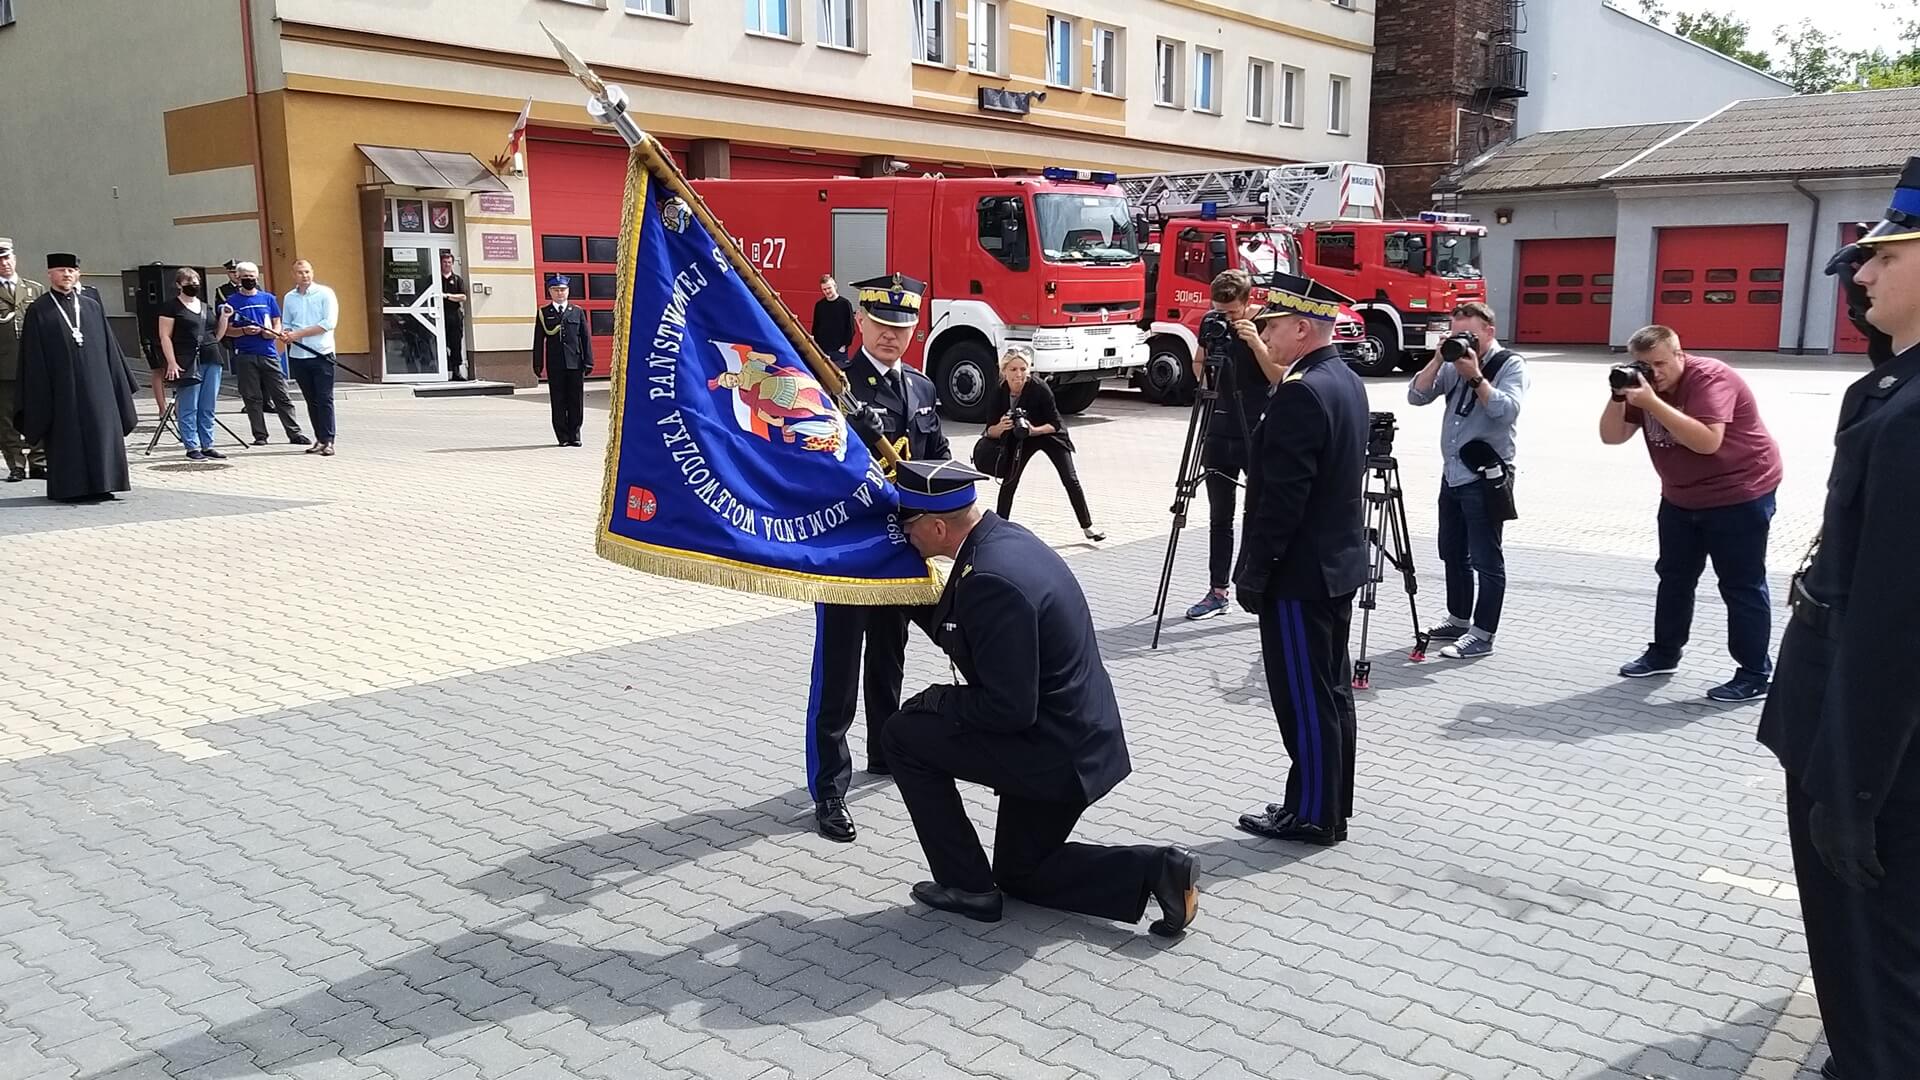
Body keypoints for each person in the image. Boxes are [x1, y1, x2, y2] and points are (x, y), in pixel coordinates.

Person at [882, 458, 1199, 935]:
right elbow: (970, 633)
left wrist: (938, 699)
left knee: (903, 735)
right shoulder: (1002, 541)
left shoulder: (989, 581)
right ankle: (1159, 870)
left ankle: (966, 886)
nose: (905, 536)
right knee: (1021, 873)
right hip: (1079, 737)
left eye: (908, 526)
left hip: (1054, 753)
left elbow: (1007, 708)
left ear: (938, 526)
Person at [1759, 159, 1920, 1080]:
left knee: (1871, 973)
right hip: (1860, 739)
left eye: (1883, 258)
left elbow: (1898, 624)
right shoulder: (1896, 392)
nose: (1859, 275)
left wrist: (1849, 795)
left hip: (1873, 760)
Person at [806, 273, 948, 843]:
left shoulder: (921, 387)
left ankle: (885, 750)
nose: (892, 335)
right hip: (846, 550)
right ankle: (830, 789)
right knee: (838, 673)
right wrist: (853, 436)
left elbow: (935, 457)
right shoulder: (834, 385)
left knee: (889, 658)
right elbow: (814, 464)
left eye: (902, 326)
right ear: (859, 322)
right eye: (882, 324)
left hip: (901, 550)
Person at [1231, 272, 1368, 846]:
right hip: (1333, 566)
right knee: (1330, 691)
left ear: (1303, 328)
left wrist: (1255, 571)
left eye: (1275, 326)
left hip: (1299, 574)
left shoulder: (1302, 390)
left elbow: (1283, 499)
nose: (1268, 335)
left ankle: (1313, 814)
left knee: (1305, 699)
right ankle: (1327, 800)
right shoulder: (1344, 380)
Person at [1598, 325, 1783, 702]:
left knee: (1740, 584)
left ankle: (1754, 674)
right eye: (1645, 364)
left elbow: (1707, 441)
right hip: (1681, 497)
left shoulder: (1711, 378)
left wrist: (1651, 403)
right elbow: (1611, 437)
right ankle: (1664, 653)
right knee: (1674, 577)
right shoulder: (1642, 386)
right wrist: (1619, 396)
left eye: (1661, 363)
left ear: (1680, 355)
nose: (1654, 372)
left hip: (1739, 494)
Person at [1405, 300, 1530, 660]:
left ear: (1489, 331)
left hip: (1486, 476)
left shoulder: (1510, 365)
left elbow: (1505, 411)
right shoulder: (1450, 360)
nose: (1464, 342)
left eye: (1470, 335)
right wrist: (1438, 357)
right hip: (1453, 474)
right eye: (1457, 334)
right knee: (1452, 551)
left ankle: (1482, 634)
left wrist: (1475, 376)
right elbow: (1416, 396)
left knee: (1486, 559)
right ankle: (1459, 618)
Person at [1186, 269, 1276, 621]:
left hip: (1255, 429)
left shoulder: (1266, 323)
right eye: (1219, 310)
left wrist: (1255, 342)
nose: (1225, 318)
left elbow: (1277, 374)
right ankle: (1217, 590)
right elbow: (1198, 362)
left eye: (1232, 313)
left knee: (1257, 513)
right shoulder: (1211, 322)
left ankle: (1256, 586)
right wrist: (1208, 372)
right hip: (1218, 427)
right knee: (1219, 516)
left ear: (1248, 302)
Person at [15, 253, 137, 503]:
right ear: (50, 274)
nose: (66, 275)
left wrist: (118, 386)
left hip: (97, 386)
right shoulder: (39, 310)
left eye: (71, 270)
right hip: (61, 389)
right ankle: (71, 488)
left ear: (78, 274)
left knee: (101, 428)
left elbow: (110, 350)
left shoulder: (91, 306)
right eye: (60, 270)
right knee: (66, 434)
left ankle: (106, 483)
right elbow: (32, 357)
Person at [983, 348, 1103, 540]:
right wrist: (1001, 426)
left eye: (1023, 369)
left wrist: (1034, 430)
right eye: (1013, 369)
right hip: (1020, 437)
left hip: (1048, 434)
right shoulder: (999, 392)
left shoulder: (1039, 388)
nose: (1018, 375)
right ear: (1004, 370)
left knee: (1070, 478)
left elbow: (1056, 424)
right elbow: (989, 431)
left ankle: (1088, 526)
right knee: (1010, 481)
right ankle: (999, 529)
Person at [222, 262, 306, 447]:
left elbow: (277, 322)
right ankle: (260, 435)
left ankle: (294, 433)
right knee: (252, 397)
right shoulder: (231, 301)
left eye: (252, 276)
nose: (249, 280)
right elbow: (226, 330)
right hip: (245, 355)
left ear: (257, 277)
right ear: (238, 277)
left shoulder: (268, 298)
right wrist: (243, 331)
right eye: (245, 277)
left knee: (281, 394)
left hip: (268, 353)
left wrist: (273, 332)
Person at [155, 267, 231, 462]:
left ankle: (208, 444)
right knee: (189, 404)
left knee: (208, 405)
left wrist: (224, 318)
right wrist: (171, 361)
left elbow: (216, 336)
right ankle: (192, 445)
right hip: (186, 360)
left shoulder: (205, 307)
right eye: (188, 283)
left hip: (211, 357)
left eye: (196, 283)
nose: (193, 286)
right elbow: (165, 336)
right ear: (179, 285)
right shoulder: (171, 307)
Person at [280, 260, 340, 457]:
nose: (304, 275)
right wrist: (286, 334)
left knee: (324, 399)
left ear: (312, 272)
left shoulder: (325, 293)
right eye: (299, 272)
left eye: (306, 271)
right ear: (293, 274)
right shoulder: (290, 297)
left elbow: (328, 323)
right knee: (311, 400)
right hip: (298, 355)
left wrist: (299, 334)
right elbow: (286, 322)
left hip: (321, 353)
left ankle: (329, 440)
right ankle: (319, 439)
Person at [0, 237, 48, 483]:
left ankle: (38, 462)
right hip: (4, 367)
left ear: (15, 259)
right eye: (0, 260)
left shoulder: (34, 289)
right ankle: (16, 465)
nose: (4, 263)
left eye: (7, 258)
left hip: (32, 364)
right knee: (6, 420)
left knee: (36, 412)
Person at [532, 275, 592, 447]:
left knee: (576, 400)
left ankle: (575, 434)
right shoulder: (544, 313)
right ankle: (562, 436)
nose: (560, 293)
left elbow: (585, 338)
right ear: (550, 292)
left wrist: (589, 361)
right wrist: (538, 363)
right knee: (558, 400)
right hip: (556, 364)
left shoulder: (577, 311)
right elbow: (538, 340)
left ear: (568, 291)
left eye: (563, 289)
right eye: (556, 290)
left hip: (575, 363)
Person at [810, 275, 856, 367]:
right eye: (824, 289)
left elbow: (850, 327)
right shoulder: (819, 305)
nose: (827, 291)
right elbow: (815, 326)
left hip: (839, 352)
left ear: (835, 286)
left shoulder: (845, 304)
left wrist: (844, 346)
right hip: (822, 350)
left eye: (829, 288)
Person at [442, 252, 468, 381]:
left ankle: (456, 372)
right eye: (444, 262)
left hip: (454, 316)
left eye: (449, 262)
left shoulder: (457, 279)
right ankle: (442, 370)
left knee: (456, 344)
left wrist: (447, 296)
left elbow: (463, 297)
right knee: (441, 343)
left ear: (452, 264)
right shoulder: (435, 278)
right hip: (440, 315)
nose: (447, 265)